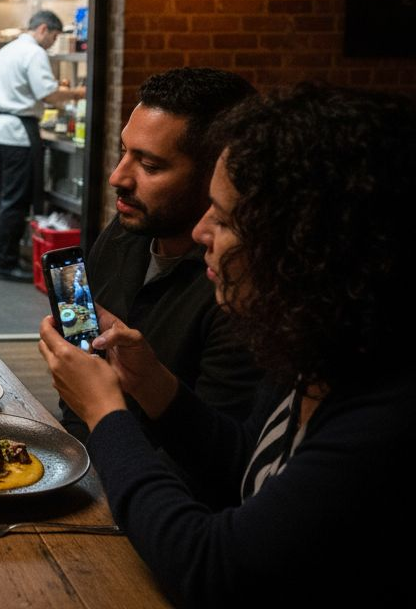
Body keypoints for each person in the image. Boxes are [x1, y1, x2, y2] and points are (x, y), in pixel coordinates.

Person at [39, 83, 415, 604]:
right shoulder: (313, 359)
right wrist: (155, 386)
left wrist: (107, 413)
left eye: (224, 216)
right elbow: (245, 462)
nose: (201, 233)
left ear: (306, 247)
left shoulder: (383, 417)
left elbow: (211, 566)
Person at [60, 68, 260, 444]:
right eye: (124, 152)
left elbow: (217, 464)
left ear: (218, 172)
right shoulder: (127, 230)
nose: (118, 177)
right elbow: (79, 385)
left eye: (150, 165)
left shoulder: (236, 286)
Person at [0, 9, 85, 282]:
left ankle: (7, 258)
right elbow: (48, 94)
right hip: (17, 132)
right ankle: (6, 264)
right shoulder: (33, 53)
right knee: (15, 200)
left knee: (7, 198)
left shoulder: (8, 50)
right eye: (53, 37)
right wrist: (79, 92)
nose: (52, 43)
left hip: (0, 130)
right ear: (43, 29)